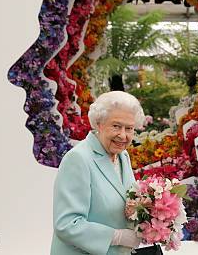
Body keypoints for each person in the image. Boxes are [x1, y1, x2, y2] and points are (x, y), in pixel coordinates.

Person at [50, 91, 146, 254]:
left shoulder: (123, 156)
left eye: (129, 128)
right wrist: (118, 237)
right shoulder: (78, 159)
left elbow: (126, 201)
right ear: (99, 124)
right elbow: (67, 224)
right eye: (116, 126)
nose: (123, 135)